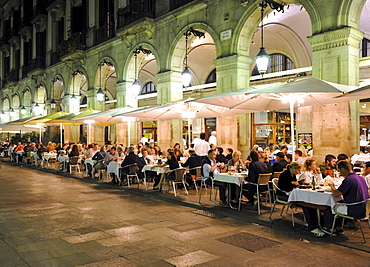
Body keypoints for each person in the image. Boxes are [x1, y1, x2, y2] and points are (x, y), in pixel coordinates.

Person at [314, 160, 368, 236]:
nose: (340, 173)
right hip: (364, 207)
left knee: (328, 206)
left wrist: (332, 185)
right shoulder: (360, 178)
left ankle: (329, 227)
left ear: (343, 169)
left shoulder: (348, 180)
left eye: (339, 171)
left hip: (354, 209)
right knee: (338, 203)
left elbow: (336, 194)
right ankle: (338, 227)